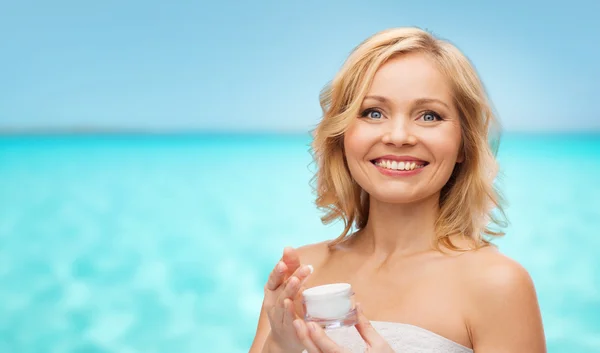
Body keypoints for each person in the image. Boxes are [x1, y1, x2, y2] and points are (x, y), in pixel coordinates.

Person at [248, 27, 546, 353]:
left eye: (429, 116)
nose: (399, 135)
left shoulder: (498, 285)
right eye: (373, 112)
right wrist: (279, 344)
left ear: (464, 144)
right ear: (342, 134)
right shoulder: (301, 274)